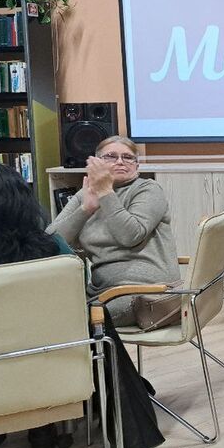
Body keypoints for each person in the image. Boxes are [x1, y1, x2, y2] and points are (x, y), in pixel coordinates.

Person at [0, 163, 163, 448]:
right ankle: (66, 428)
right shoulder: (51, 252)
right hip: (47, 366)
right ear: (24, 204)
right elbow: (75, 292)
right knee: (95, 319)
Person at [48, 135, 180, 327]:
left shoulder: (149, 189)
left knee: (74, 324)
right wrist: (86, 209)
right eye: (111, 156)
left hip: (146, 293)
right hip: (102, 291)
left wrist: (105, 192)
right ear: (96, 163)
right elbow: (50, 243)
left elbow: (131, 235)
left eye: (128, 157)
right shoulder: (85, 194)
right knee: (45, 313)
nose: (120, 161)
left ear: (137, 166)